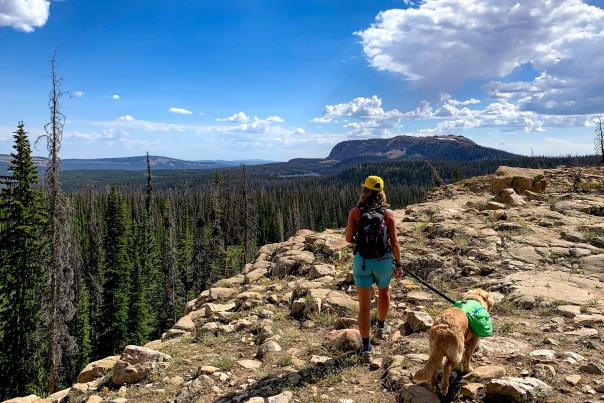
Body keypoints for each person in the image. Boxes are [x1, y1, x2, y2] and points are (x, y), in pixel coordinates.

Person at [345, 175, 403, 356]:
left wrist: (358, 242)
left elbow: (348, 238)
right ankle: (381, 325)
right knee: (384, 292)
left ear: (365, 190)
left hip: (362, 262)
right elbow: (394, 243)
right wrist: (399, 263)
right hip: (383, 262)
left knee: (363, 307)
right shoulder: (388, 214)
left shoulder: (356, 212)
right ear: (381, 192)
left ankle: (366, 347)